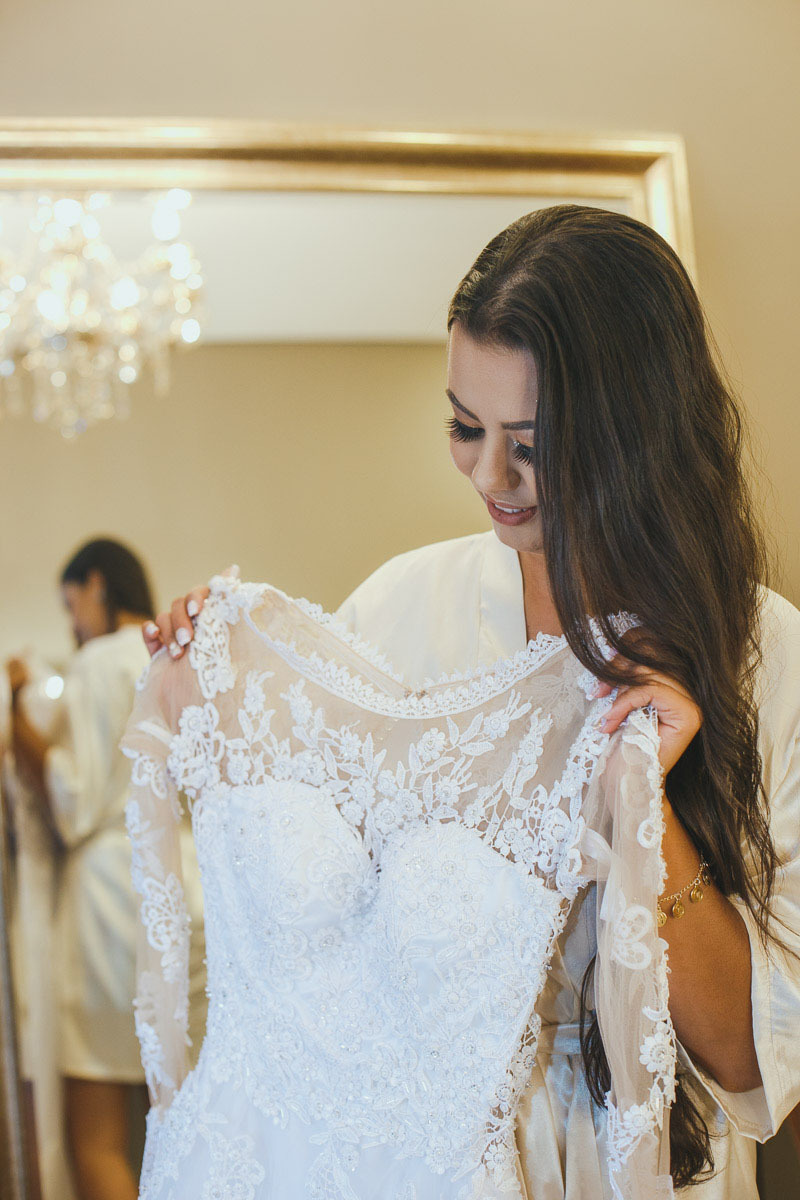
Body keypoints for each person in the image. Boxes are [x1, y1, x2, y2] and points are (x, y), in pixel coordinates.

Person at [138, 205, 800, 1198]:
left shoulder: (765, 656)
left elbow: (754, 1067)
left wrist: (639, 807)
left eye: (531, 443)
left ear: (630, 435)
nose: (489, 477)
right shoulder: (402, 608)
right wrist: (217, 679)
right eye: (462, 426)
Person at [7, 537, 205, 1200]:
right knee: (185, 1109)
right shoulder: (178, 651)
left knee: (97, 1130)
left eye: (73, 603)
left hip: (107, 896)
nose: (74, 622)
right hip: (180, 878)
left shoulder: (97, 663)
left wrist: (20, 717)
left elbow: (75, 799)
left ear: (97, 584)